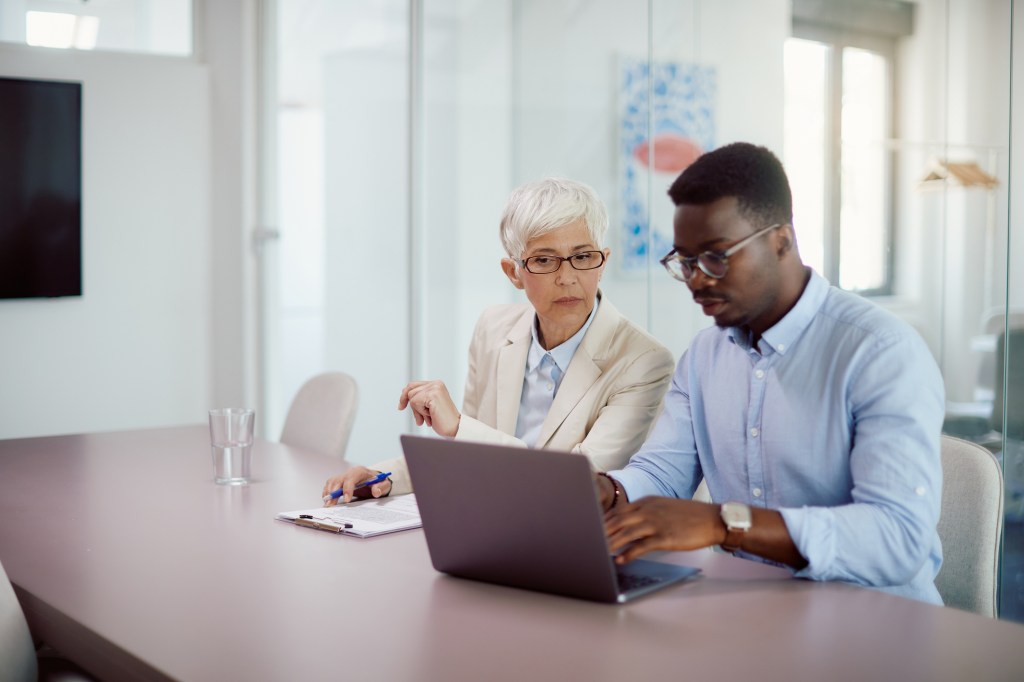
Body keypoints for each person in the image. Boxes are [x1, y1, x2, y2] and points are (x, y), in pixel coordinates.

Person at [595, 142, 945, 604]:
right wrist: (609, 490)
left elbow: (898, 537)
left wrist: (725, 523)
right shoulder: (703, 356)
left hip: (877, 618)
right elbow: (662, 474)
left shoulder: (879, 351)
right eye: (685, 261)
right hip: (752, 607)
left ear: (781, 240)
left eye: (716, 256)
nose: (698, 279)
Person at [323, 177, 675, 504]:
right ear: (513, 273)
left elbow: (577, 483)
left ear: (602, 263)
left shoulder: (644, 362)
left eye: (582, 257)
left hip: (578, 534)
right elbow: (467, 457)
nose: (567, 277)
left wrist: (459, 426)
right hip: (493, 517)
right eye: (544, 260)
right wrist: (384, 477)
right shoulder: (493, 328)